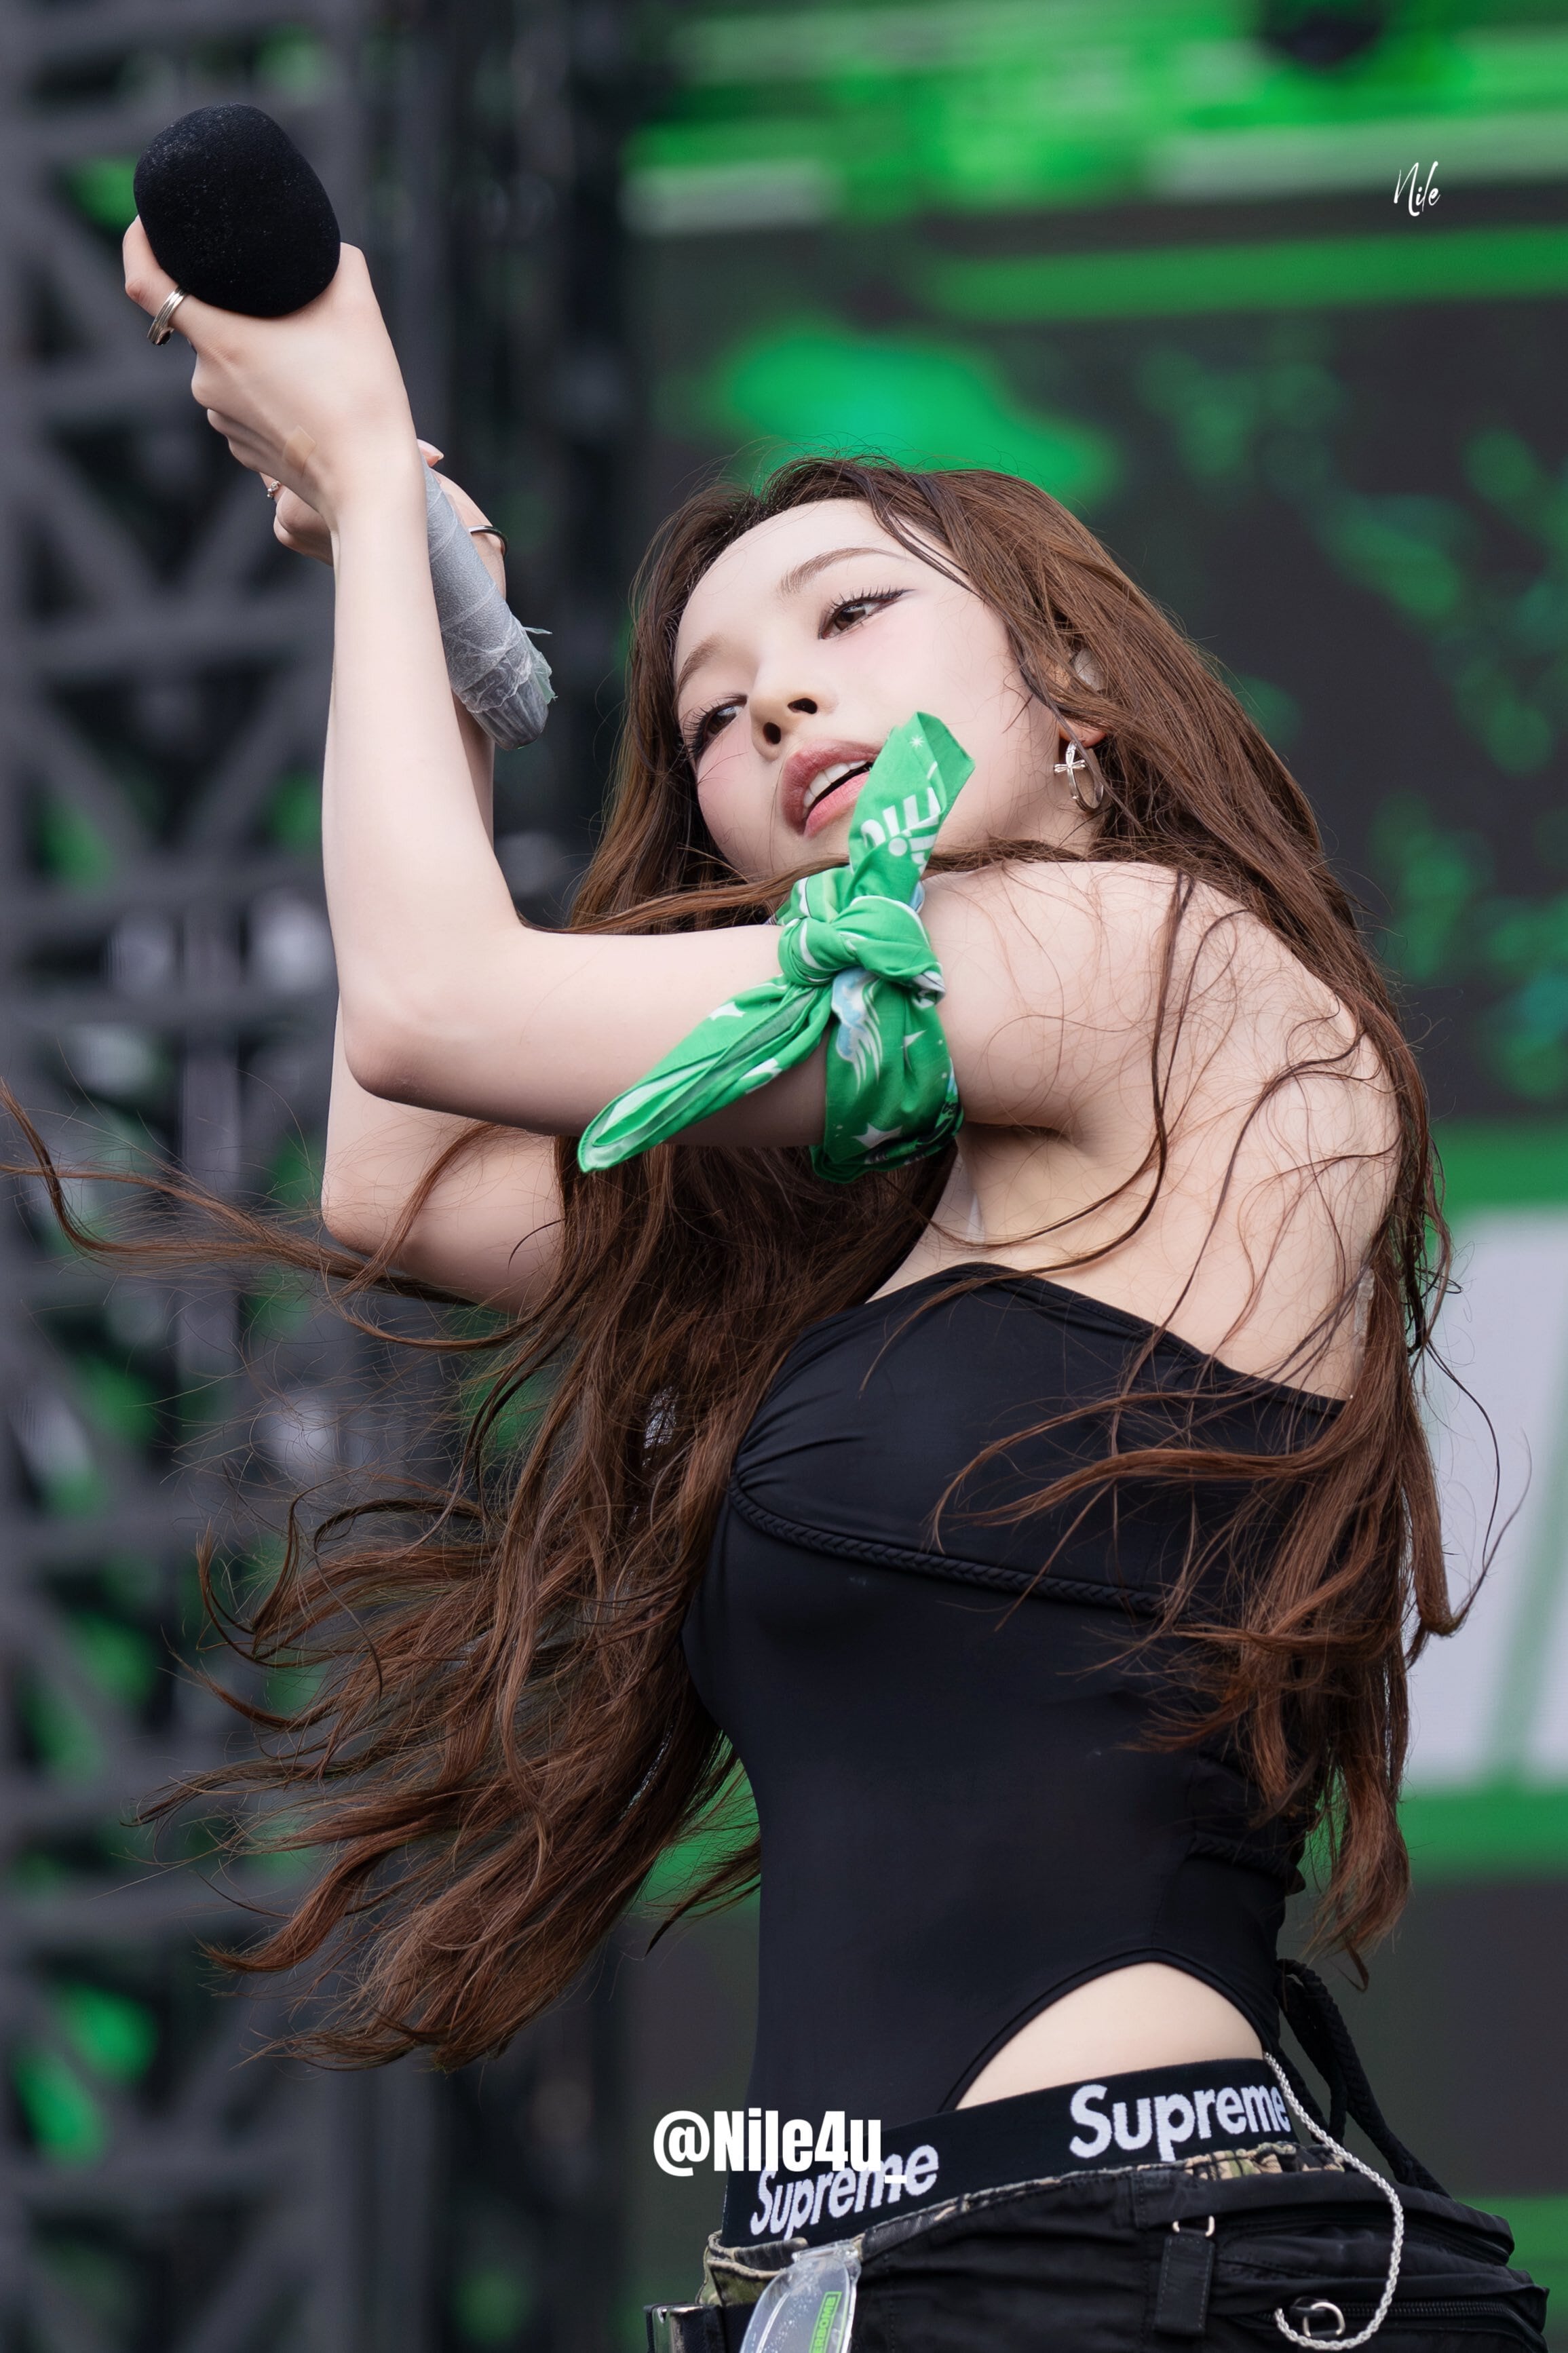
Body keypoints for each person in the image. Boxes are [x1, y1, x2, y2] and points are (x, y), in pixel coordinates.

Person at [117, 222, 1546, 2353]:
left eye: (854, 616)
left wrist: (355, 448)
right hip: (888, 2279)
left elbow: (433, 1005)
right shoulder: (878, 1231)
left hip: (1120, 2265)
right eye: (713, 709)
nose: (776, 694)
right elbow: (398, 1175)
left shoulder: (1156, 959)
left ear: (1074, 694)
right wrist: (427, 630)